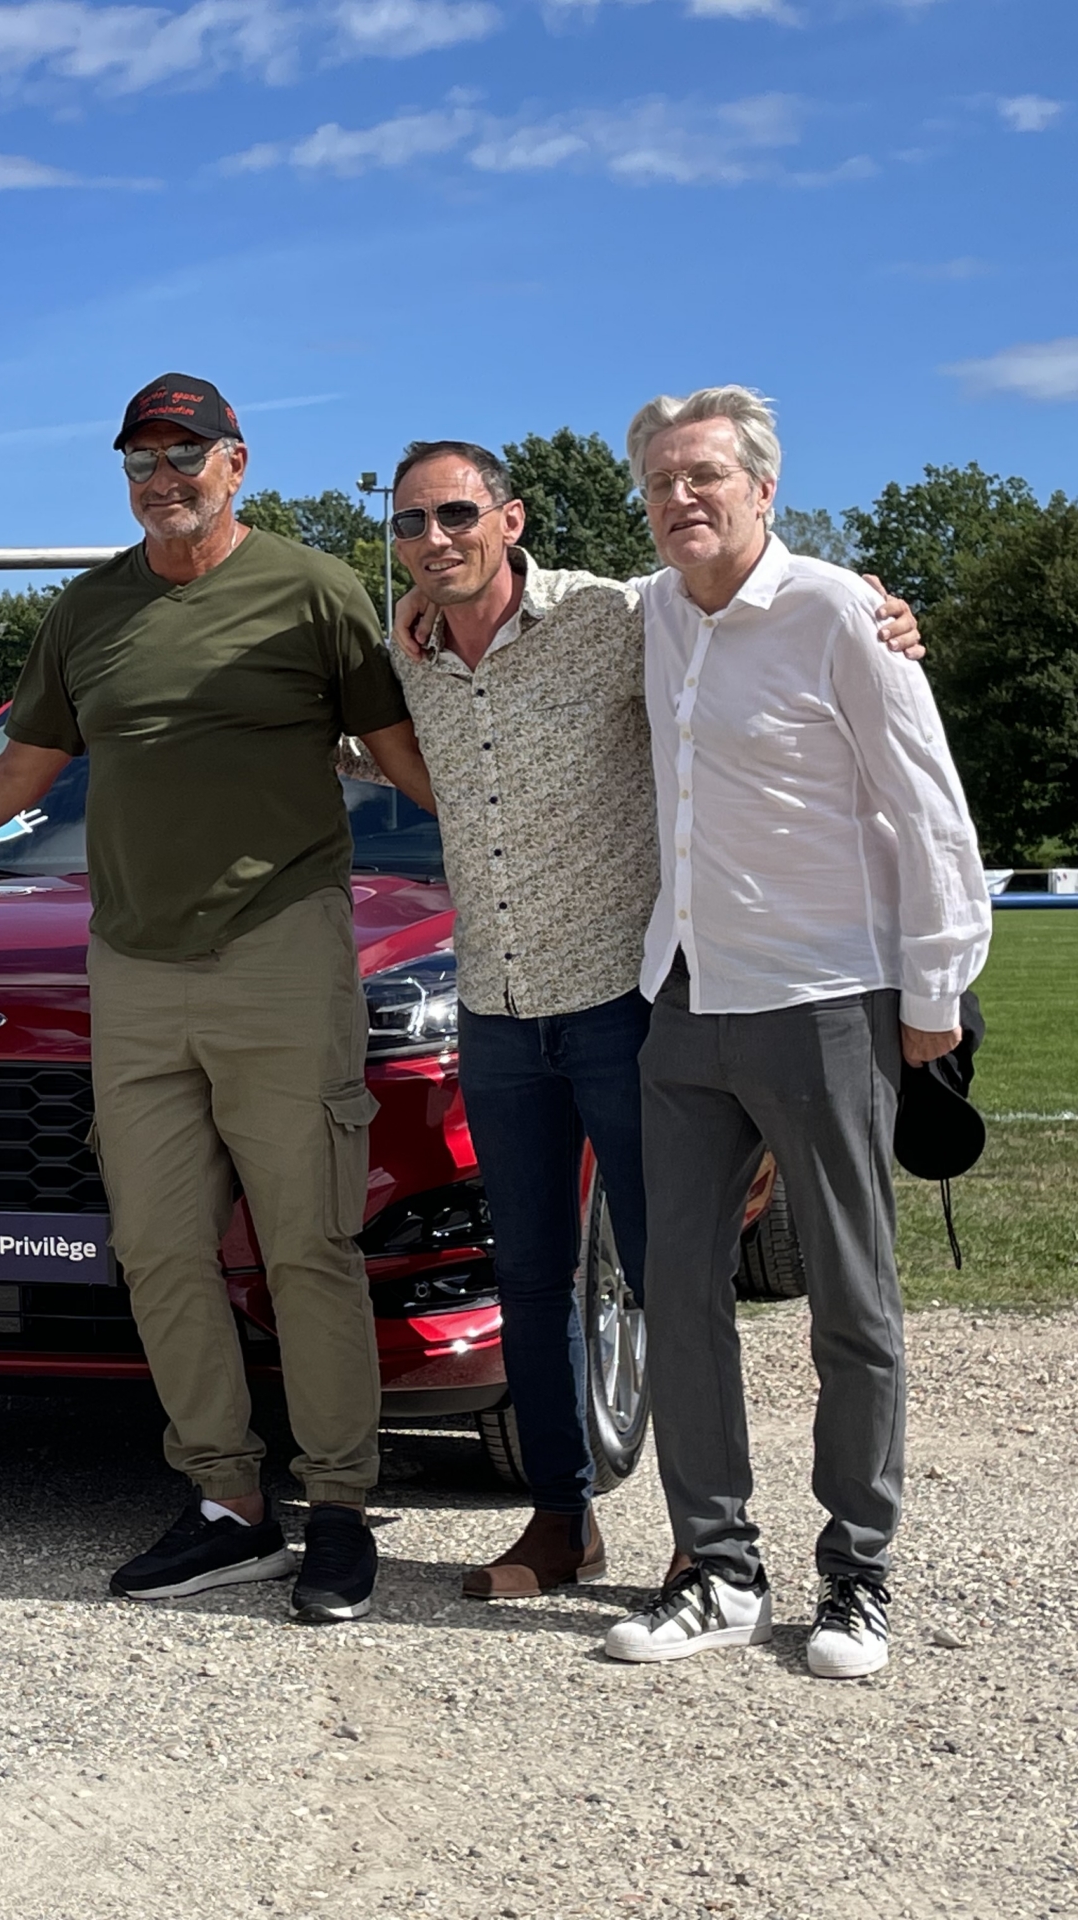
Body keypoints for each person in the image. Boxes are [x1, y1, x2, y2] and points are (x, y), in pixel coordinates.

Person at [375, 441, 922, 1601]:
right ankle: (561, 1523)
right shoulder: (406, 646)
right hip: (496, 1006)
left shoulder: (612, 615)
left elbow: (738, 595)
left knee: (672, 1279)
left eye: (457, 514)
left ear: (511, 519)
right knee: (528, 1276)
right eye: (410, 523)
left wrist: (867, 602)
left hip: (626, 999)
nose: (433, 540)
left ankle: (699, 1539)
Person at [0, 373, 433, 1624]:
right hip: (132, 968)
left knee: (307, 1245)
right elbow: (18, 777)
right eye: (140, 460)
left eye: (183, 455)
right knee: (156, 1248)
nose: (162, 478)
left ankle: (339, 1507)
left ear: (234, 464)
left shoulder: (313, 590)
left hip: (281, 951)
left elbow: (410, 760)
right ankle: (227, 1502)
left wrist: (528, 837)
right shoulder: (89, 609)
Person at [598, 386, 988, 1680]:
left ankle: (857, 1575)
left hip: (825, 999)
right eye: (660, 482)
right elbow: (521, 597)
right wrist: (421, 605)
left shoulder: (837, 614)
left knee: (850, 1299)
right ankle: (718, 1571)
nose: (679, 498)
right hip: (684, 998)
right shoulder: (652, 611)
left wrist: (933, 992)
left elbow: (929, 809)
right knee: (676, 1294)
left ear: (764, 489)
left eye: (703, 475)